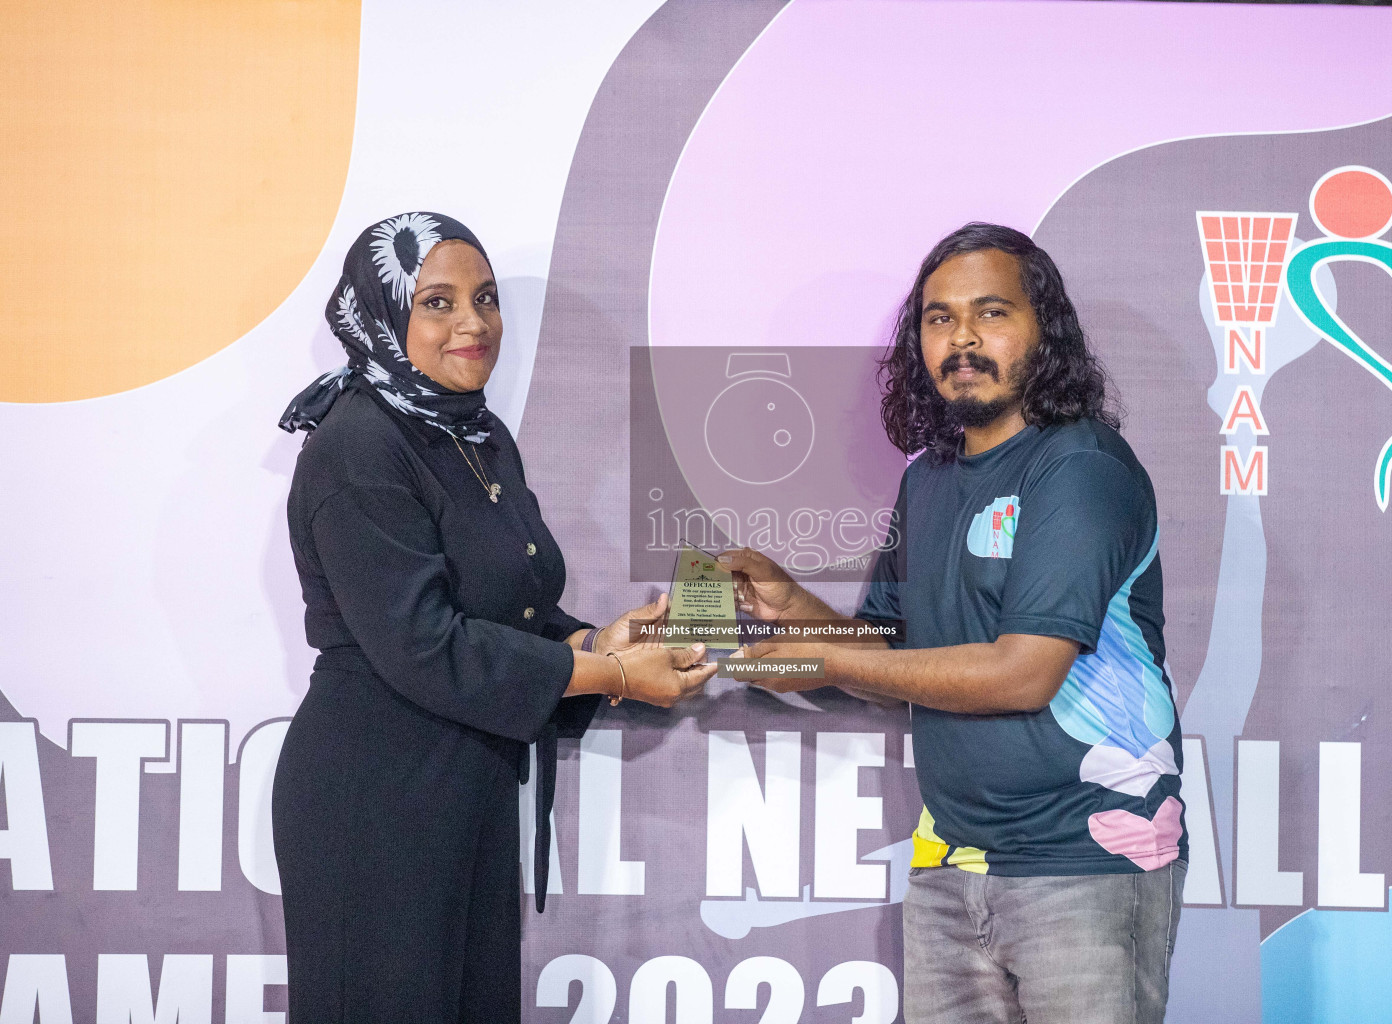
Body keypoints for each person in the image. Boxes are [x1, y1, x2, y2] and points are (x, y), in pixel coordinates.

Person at [725, 222, 1185, 1024]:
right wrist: (788, 603)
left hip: (1084, 862)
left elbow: (1022, 672)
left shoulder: (1081, 467)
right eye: (940, 319)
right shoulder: (929, 479)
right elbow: (893, 647)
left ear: (1046, 333)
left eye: (991, 313)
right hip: (949, 866)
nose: (963, 338)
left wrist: (825, 663)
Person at [273, 212, 715, 1023]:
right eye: (437, 302)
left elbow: (505, 608)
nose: (473, 324)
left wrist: (594, 640)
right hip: (371, 795)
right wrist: (614, 676)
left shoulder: (475, 433)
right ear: (383, 312)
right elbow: (425, 643)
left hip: (465, 785)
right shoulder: (357, 444)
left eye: (485, 299)